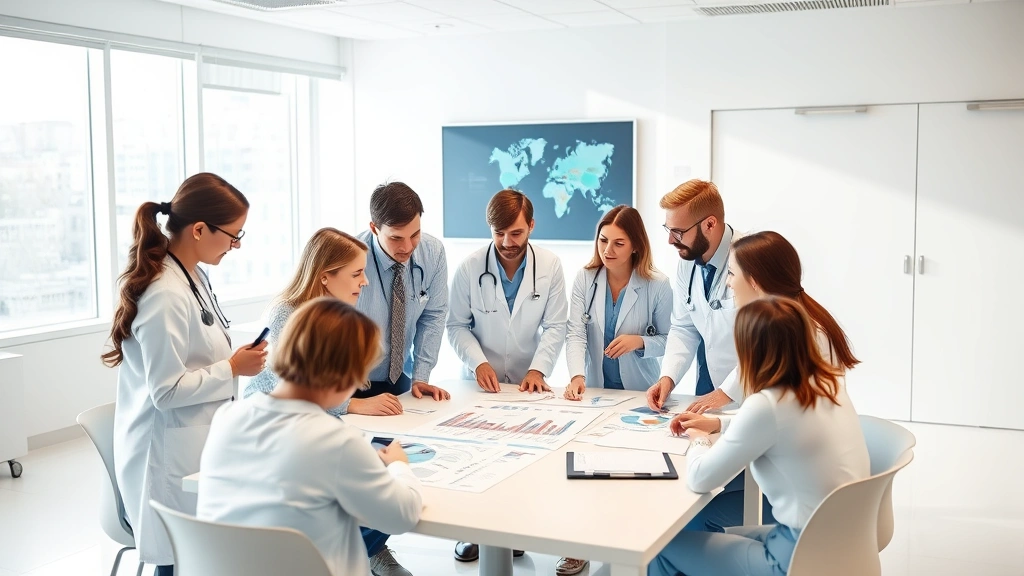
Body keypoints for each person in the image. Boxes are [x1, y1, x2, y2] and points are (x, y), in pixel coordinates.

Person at [104, 173, 267, 576]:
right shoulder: (165, 293)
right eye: (233, 235)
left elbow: (197, 351)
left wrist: (233, 363)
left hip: (194, 441)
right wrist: (232, 368)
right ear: (198, 230)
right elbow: (165, 392)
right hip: (165, 455)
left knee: (200, 554)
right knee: (176, 560)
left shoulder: (192, 275)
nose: (236, 245)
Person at [197, 298, 423, 576]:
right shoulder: (337, 442)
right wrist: (399, 465)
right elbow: (401, 516)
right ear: (346, 375)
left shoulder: (227, 418)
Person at [649, 297, 870, 576]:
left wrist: (698, 438)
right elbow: (783, 428)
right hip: (844, 546)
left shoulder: (767, 405)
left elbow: (700, 478)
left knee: (661, 548)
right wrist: (717, 424)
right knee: (706, 525)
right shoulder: (827, 386)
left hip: (795, 560)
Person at [446, 188, 568, 562]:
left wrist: (538, 368)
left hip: (528, 383)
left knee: (522, 460)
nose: (506, 242)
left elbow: (556, 325)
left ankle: (514, 531)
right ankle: (472, 533)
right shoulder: (470, 267)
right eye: (499, 233)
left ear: (531, 225)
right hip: (481, 384)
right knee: (475, 460)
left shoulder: (550, 266)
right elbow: (456, 325)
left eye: (516, 233)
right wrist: (477, 362)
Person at [646, 179, 773, 531]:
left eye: (678, 232)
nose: (670, 241)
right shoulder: (687, 261)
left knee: (734, 480)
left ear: (710, 224)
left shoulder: (748, 261)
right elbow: (683, 326)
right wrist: (668, 377)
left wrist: (727, 392)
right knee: (702, 479)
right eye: (668, 230)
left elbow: (767, 341)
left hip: (752, 391)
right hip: (714, 388)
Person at [554, 205, 672, 575]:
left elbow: (672, 340)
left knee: (630, 474)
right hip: (596, 390)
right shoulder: (586, 278)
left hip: (639, 393)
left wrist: (640, 341)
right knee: (583, 469)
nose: (608, 250)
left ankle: (629, 545)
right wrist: (576, 375)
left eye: (619, 243)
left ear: (636, 245)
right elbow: (575, 332)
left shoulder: (657, 285)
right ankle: (579, 546)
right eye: (603, 240)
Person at [353, 182, 451, 575]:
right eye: (396, 238)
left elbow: (434, 315)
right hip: (350, 379)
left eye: (415, 234)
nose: (407, 247)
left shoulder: (433, 252)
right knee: (360, 469)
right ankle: (361, 552)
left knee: (395, 463)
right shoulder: (351, 257)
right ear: (373, 228)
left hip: (398, 375)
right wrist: (350, 399)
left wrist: (421, 375)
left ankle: (371, 547)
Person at [687, 230, 859, 414]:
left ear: (753, 280)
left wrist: (718, 425)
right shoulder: (781, 324)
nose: (728, 282)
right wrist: (719, 414)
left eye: (731, 273)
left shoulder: (802, 334)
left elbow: (783, 417)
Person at [243, 227, 371, 416]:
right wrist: (350, 405)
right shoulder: (286, 313)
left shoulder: (335, 313)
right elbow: (296, 386)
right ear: (324, 277)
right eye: (356, 274)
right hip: (270, 416)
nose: (365, 281)